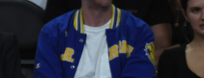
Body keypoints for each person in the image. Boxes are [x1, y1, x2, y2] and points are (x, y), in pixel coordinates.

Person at [42, 0, 174, 64]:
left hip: (130, 72)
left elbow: (162, 46)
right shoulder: (53, 26)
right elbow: (51, 44)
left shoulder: (140, 27)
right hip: (72, 68)